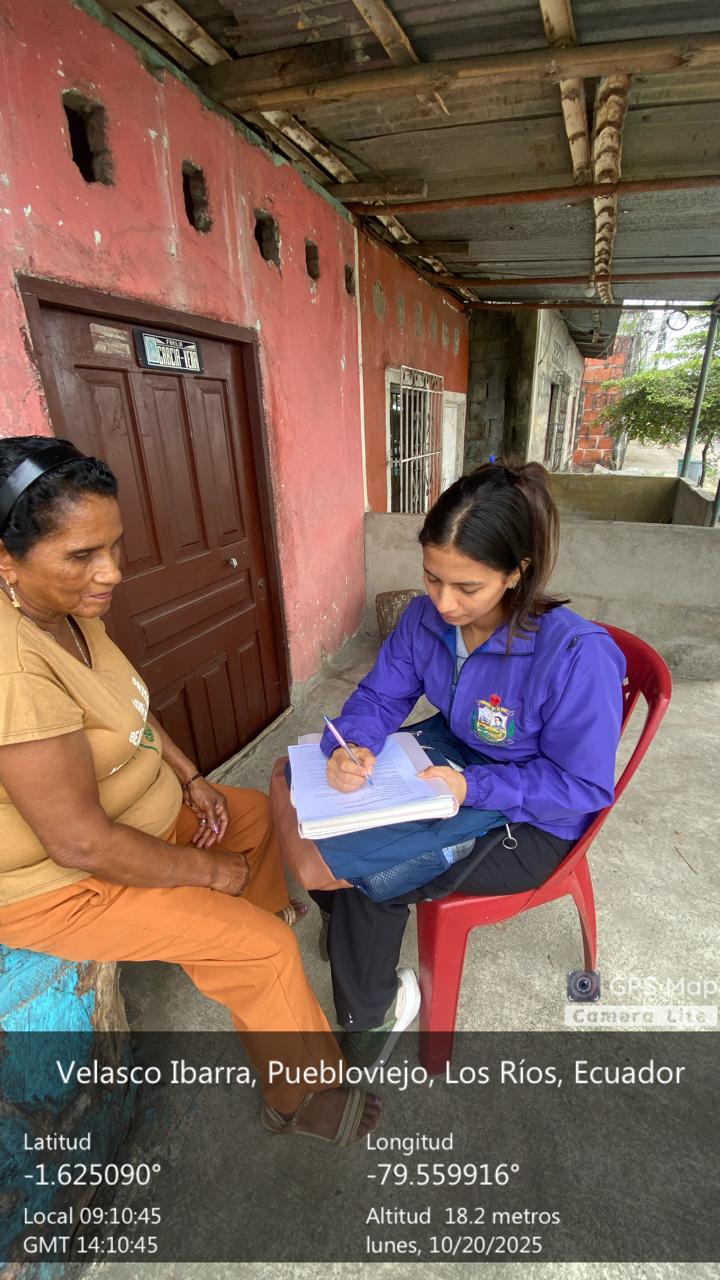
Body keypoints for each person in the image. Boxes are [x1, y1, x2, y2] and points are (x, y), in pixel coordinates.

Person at [0, 436, 380, 1145]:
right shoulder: (12, 670)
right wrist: (208, 870)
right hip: (65, 884)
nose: (111, 572)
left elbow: (130, 711)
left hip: (140, 827)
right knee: (263, 949)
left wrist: (191, 777)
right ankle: (296, 1097)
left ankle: (255, 932)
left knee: (255, 814)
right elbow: (80, 843)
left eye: (114, 545)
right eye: (82, 555)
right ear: (5, 559)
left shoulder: (67, 613)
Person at [311, 462, 625, 1066]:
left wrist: (471, 785)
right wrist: (352, 744)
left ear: (517, 572)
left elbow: (582, 786)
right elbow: (379, 698)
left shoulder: (575, 656)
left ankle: (373, 1015)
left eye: (467, 587)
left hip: (534, 819)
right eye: (432, 578)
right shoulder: (423, 619)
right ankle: (353, 937)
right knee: (320, 813)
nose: (444, 602)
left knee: (371, 875)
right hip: (454, 763)